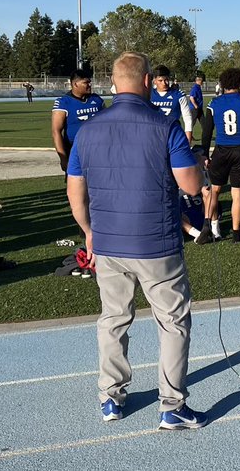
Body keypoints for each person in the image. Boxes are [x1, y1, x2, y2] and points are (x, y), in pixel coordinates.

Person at [65, 51, 207, 428]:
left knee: (113, 320)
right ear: (147, 81)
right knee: (173, 322)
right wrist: (199, 168)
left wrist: (89, 233)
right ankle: (172, 404)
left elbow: (74, 191)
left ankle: (111, 397)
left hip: (109, 243)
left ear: (113, 84)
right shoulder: (166, 126)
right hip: (156, 244)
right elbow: (190, 184)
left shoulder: (88, 130)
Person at [199, 68, 240, 243]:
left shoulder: (214, 103)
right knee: (237, 194)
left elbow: (206, 132)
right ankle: (235, 234)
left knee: (215, 190)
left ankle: (208, 226)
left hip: (221, 149)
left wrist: (204, 153)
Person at [52, 68, 105, 174]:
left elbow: (106, 124)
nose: (90, 85)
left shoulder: (97, 100)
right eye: (86, 82)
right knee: (77, 186)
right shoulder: (63, 102)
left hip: (97, 150)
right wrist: (63, 158)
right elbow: (56, 131)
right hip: (75, 151)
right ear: (75, 84)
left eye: (90, 82)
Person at [150, 66, 195, 144]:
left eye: (166, 80)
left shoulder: (178, 95)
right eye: (160, 80)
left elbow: (187, 118)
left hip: (173, 135)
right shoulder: (148, 94)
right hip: (154, 136)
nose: (164, 83)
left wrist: (188, 140)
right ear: (154, 81)